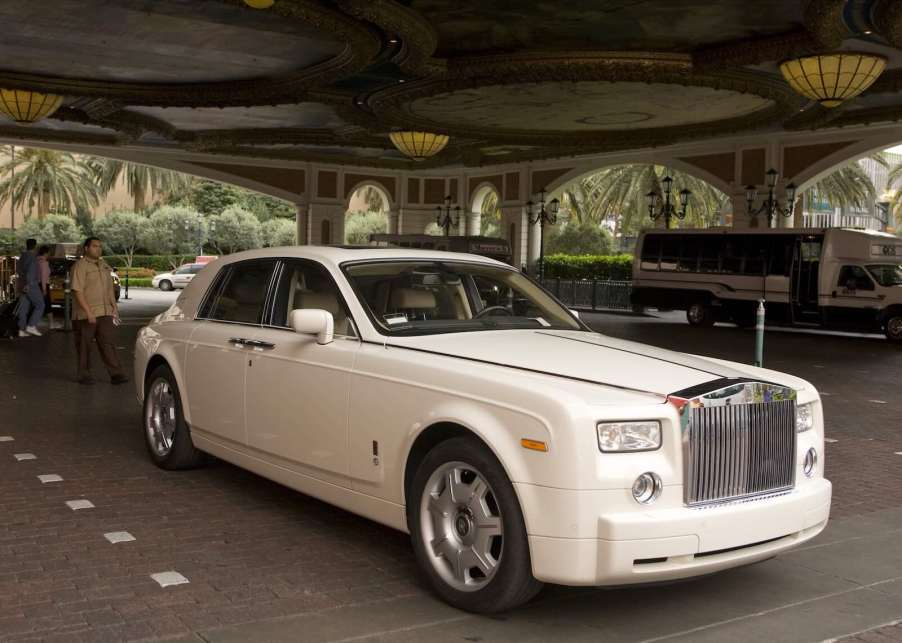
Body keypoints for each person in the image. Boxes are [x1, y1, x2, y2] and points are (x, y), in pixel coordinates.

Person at [70, 237, 128, 386]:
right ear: (86, 248)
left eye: (100, 246)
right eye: (95, 246)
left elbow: (109, 289)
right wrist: (88, 312)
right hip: (85, 314)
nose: (98, 249)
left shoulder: (104, 265)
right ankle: (84, 375)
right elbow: (77, 291)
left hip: (105, 312)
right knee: (84, 346)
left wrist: (114, 307)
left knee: (108, 343)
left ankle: (116, 374)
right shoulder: (80, 266)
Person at [16, 238, 44, 337]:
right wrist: (29, 284)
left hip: (21, 284)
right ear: (35, 246)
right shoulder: (32, 258)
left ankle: (21, 330)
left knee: (23, 308)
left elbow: (18, 270)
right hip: (30, 285)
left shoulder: (22, 257)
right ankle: (31, 325)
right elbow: (31, 272)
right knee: (40, 305)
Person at [36, 245, 51, 317]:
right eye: (48, 253)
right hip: (43, 285)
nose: (49, 255)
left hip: (36, 285)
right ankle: (51, 323)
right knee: (47, 304)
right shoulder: (44, 263)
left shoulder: (36, 261)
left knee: (38, 304)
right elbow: (43, 277)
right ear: (45, 253)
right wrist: (44, 289)